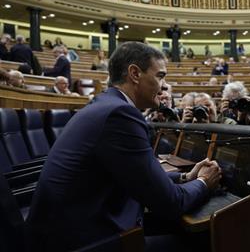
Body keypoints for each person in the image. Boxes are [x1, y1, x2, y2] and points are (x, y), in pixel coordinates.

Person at [25, 42, 222, 251]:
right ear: (135, 74)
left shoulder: (106, 104)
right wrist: (203, 182)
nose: (164, 86)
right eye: (160, 76)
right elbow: (171, 204)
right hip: (85, 242)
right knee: (203, 239)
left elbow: (135, 176)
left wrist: (185, 177)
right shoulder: (120, 115)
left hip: (68, 231)